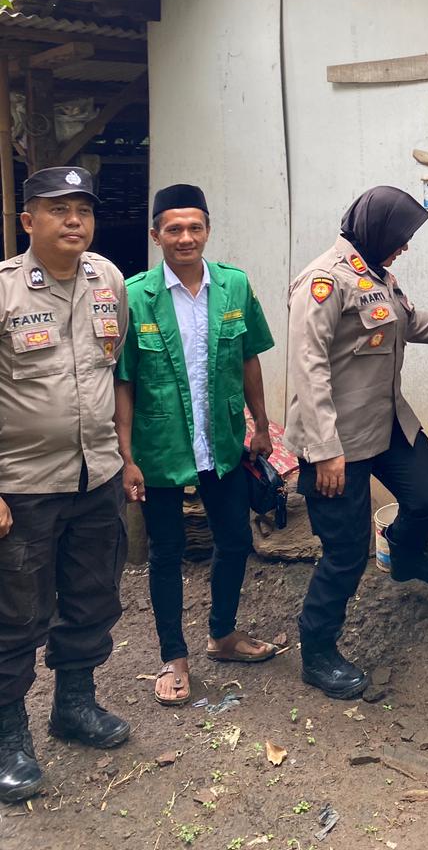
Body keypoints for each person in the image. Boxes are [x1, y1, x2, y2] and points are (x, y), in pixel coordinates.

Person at [286, 186, 428, 700]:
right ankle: (318, 652)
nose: (405, 248)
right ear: (376, 230)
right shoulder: (324, 282)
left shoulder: (375, 276)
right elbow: (309, 369)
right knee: (345, 553)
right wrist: (324, 451)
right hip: (336, 441)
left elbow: (412, 324)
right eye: (402, 238)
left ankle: (407, 554)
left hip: (386, 423)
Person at [115, 185, 277, 708]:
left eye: (195, 227)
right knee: (166, 552)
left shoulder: (233, 286)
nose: (185, 237)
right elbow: (124, 382)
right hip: (160, 445)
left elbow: (250, 358)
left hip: (224, 440)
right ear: (156, 234)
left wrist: (262, 424)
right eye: (174, 228)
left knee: (235, 542)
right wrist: (127, 456)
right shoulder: (135, 295)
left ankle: (223, 635)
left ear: (207, 229)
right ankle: (174, 657)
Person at [0, 167, 131, 804]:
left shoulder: (108, 279)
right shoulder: (3, 293)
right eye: (58, 209)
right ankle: (7, 736)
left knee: (91, 596)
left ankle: (74, 707)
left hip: (96, 474)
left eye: (83, 209)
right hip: (23, 484)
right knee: (16, 612)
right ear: (29, 221)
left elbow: (113, 372)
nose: (74, 220)